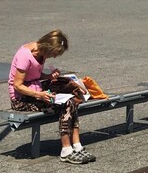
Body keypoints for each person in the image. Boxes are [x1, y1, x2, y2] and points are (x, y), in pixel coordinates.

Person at [8, 30, 94, 164]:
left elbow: (33, 75)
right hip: (21, 99)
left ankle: (76, 145)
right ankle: (67, 149)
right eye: (53, 54)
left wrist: (48, 77)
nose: (53, 57)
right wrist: (40, 94)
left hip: (37, 92)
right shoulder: (25, 55)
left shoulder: (40, 53)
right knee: (68, 103)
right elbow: (17, 85)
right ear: (47, 47)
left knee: (72, 95)